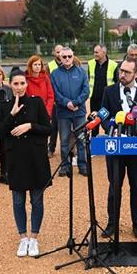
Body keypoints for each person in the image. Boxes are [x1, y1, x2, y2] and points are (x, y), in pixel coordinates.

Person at [0, 67, 52, 257]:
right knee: (18, 201)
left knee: (37, 200)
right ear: (10, 85)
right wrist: (11, 115)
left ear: (26, 85)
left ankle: (34, 238)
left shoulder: (36, 103)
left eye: (22, 83)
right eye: (15, 84)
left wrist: (30, 126)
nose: (19, 87)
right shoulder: (4, 106)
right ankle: (23, 239)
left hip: (36, 159)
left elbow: (49, 129)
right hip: (16, 160)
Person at [100, 57, 137, 239]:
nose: (122, 75)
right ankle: (112, 224)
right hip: (115, 146)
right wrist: (110, 129)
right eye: (121, 71)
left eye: (127, 72)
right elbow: (104, 116)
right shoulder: (109, 91)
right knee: (114, 186)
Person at [50, 46, 89, 177]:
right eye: (64, 57)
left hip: (79, 111)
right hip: (63, 112)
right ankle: (65, 166)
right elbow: (55, 93)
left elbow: (86, 91)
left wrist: (76, 102)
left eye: (69, 56)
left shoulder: (81, 72)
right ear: (59, 58)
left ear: (73, 57)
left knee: (81, 139)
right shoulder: (54, 74)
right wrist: (67, 103)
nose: (67, 59)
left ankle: (82, 165)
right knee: (64, 140)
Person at [87, 44, 118, 137]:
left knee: (108, 123)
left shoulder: (113, 65)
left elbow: (116, 83)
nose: (94, 54)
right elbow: (90, 79)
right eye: (94, 52)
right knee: (94, 123)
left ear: (104, 53)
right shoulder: (91, 63)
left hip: (108, 100)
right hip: (95, 99)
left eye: (97, 52)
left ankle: (108, 144)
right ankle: (94, 145)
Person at [46, 44, 63, 158]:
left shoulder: (69, 63)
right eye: (57, 52)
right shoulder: (49, 66)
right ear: (54, 53)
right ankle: (51, 148)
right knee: (54, 126)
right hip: (55, 101)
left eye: (61, 52)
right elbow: (48, 83)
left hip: (66, 101)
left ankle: (67, 149)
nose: (59, 54)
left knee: (66, 127)